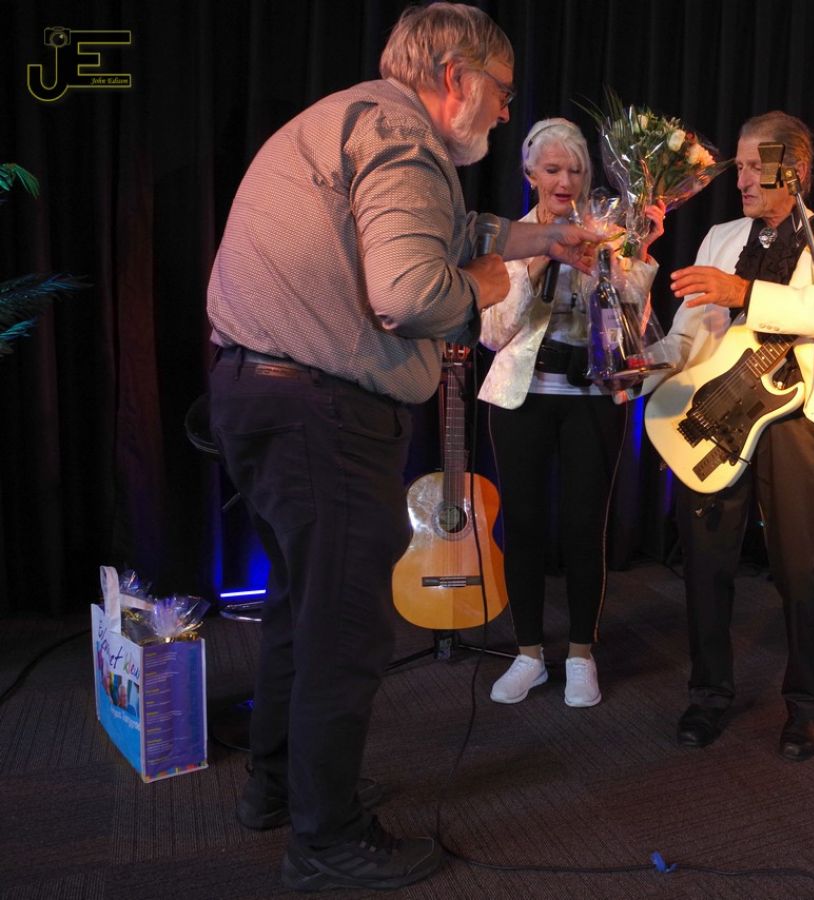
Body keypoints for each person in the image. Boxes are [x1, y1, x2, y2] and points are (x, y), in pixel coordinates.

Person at [205, 4, 599, 892]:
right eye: (501, 90)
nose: (506, 110)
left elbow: (455, 232)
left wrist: (545, 239)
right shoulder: (404, 140)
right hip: (322, 414)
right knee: (345, 630)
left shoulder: (351, 117)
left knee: (300, 611)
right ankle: (326, 840)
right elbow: (413, 293)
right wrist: (488, 286)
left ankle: (279, 787)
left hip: (260, 395)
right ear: (455, 77)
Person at [643, 112, 814, 762]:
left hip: (797, 421)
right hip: (717, 412)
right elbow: (687, 335)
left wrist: (743, 291)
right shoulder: (719, 237)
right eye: (736, 166)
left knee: (803, 569)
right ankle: (708, 694)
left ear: (792, 170)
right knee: (705, 563)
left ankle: (807, 706)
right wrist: (645, 363)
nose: (738, 179)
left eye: (752, 167)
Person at [479, 118, 664, 708]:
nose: (565, 180)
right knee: (524, 525)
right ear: (530, 173)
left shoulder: (608, 232)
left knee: (586, 527)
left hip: (592, 399)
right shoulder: (505, 238)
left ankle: (582, 654)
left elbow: (633, 324)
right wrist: (541, 254)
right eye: (553, 169)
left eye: (576, 169)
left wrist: (636, 254)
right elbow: (493, 332)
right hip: (522, 398)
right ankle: (528, 654)